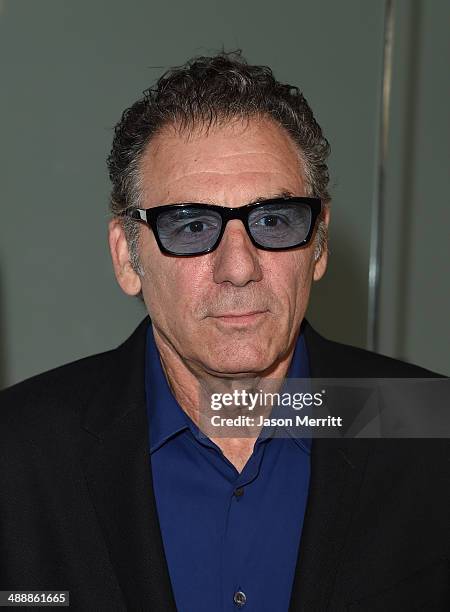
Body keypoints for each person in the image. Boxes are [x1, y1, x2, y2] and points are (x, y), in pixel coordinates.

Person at [0, 52, 448, 612]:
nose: (239, 267)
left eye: (274, 221)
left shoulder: (430, 431)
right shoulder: (17, 455)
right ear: (127, 257)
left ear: (320, 244)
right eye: (191, 226)